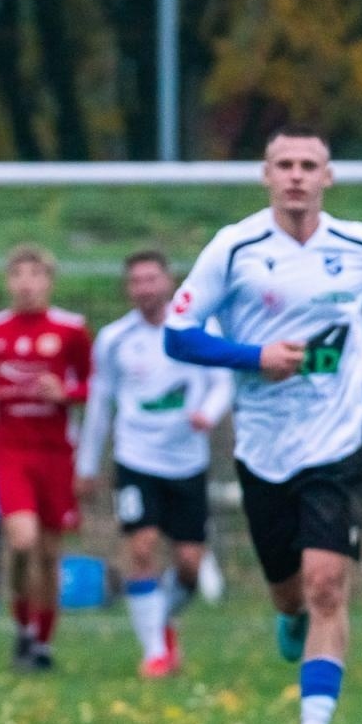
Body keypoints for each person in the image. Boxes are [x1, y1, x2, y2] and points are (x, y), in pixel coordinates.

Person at [164, 124, 362, 724]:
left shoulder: (361, 245)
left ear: (327, 177)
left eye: (307, 164)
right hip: (264, 446)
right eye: (283, 164)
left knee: (326, 585)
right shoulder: (235, 248)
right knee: (289, 592)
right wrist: (251, 356)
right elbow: (178, 336)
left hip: (339, 439)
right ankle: (287, 614)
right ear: (265, 176)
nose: (295, 175)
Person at [75, 250, 233, 678]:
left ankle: (162, 621)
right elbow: (99, 404)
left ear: (169, 281)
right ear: (128, 289)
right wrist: (86, 465)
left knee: (189, 565)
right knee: (141, 548)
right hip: (136, 460)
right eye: (136, 281)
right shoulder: (114, 340)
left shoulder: (199, 327)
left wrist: (209, 413)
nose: (145, 288)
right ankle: (154, 653)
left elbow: (223, 380)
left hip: (187, 462)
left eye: (152, 279)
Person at [0, 244, 92, 672]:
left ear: (48, 281)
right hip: (12, 451)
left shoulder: (71, 329)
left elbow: (93, 388)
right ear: (8, 281)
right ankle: (23, 626)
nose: (26, 283)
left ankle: (41, 641)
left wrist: (68, 393)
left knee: (48, 553)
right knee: (23, 541)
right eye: (18, 275)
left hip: (56, 453)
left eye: (34, 275)